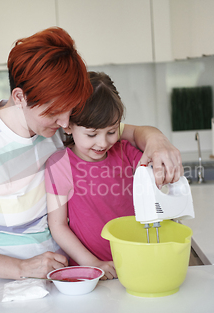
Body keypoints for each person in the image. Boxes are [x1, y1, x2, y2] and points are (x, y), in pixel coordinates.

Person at [0, 27, 183, 281]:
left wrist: (158, 141)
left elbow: (132, 133)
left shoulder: (65, 127)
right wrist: (22, 267)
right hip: (5, 289)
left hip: (70, 279)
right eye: (54, 112)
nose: (64, 122)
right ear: (20, 97)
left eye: (69, 109)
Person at [45, 72, 144, 280]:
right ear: (69, 126)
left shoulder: (124, 151)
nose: (103, 143)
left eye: (112, 131)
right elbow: (58, 225)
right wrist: (93, 264)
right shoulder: (60, 165)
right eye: (92, 134)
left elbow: (151, 167)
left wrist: (161, 167)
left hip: (136, 259)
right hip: (91, 271)